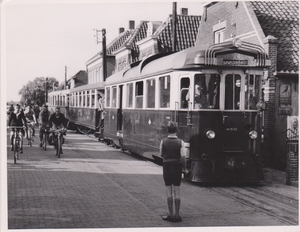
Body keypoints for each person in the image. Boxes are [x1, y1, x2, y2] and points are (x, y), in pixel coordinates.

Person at [160, 121, 187, 222]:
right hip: (177, 167)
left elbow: (161, 154)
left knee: (168, 190)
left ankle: (170, 214)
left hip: (167, 166)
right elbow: (183, 157)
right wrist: (184, 168)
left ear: (167, 130)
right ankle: (177, 215)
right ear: (176, 131)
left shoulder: (163, 141)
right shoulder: (181, 142)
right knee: (177, 190)